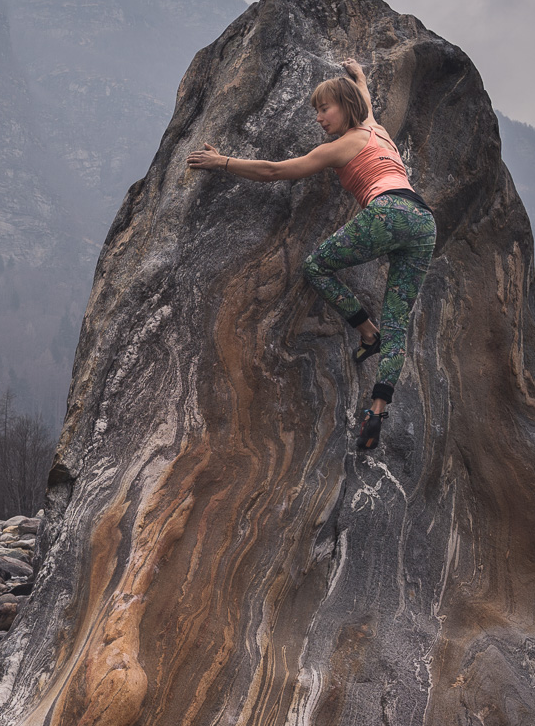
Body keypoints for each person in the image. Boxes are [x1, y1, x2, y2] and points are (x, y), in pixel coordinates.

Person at [187, 59, 436, 451]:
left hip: (390, 211)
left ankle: (366, 330)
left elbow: (274, 171)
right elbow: (365, 102)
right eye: (316, 111)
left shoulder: (339, 148)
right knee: (399, 321)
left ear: (344, 107)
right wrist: (360, 77)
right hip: (423, 222)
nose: (319, 118)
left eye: (325, 109)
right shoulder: (375, 129)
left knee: (317, 266)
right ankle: (377, 410)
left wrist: (222, 162)